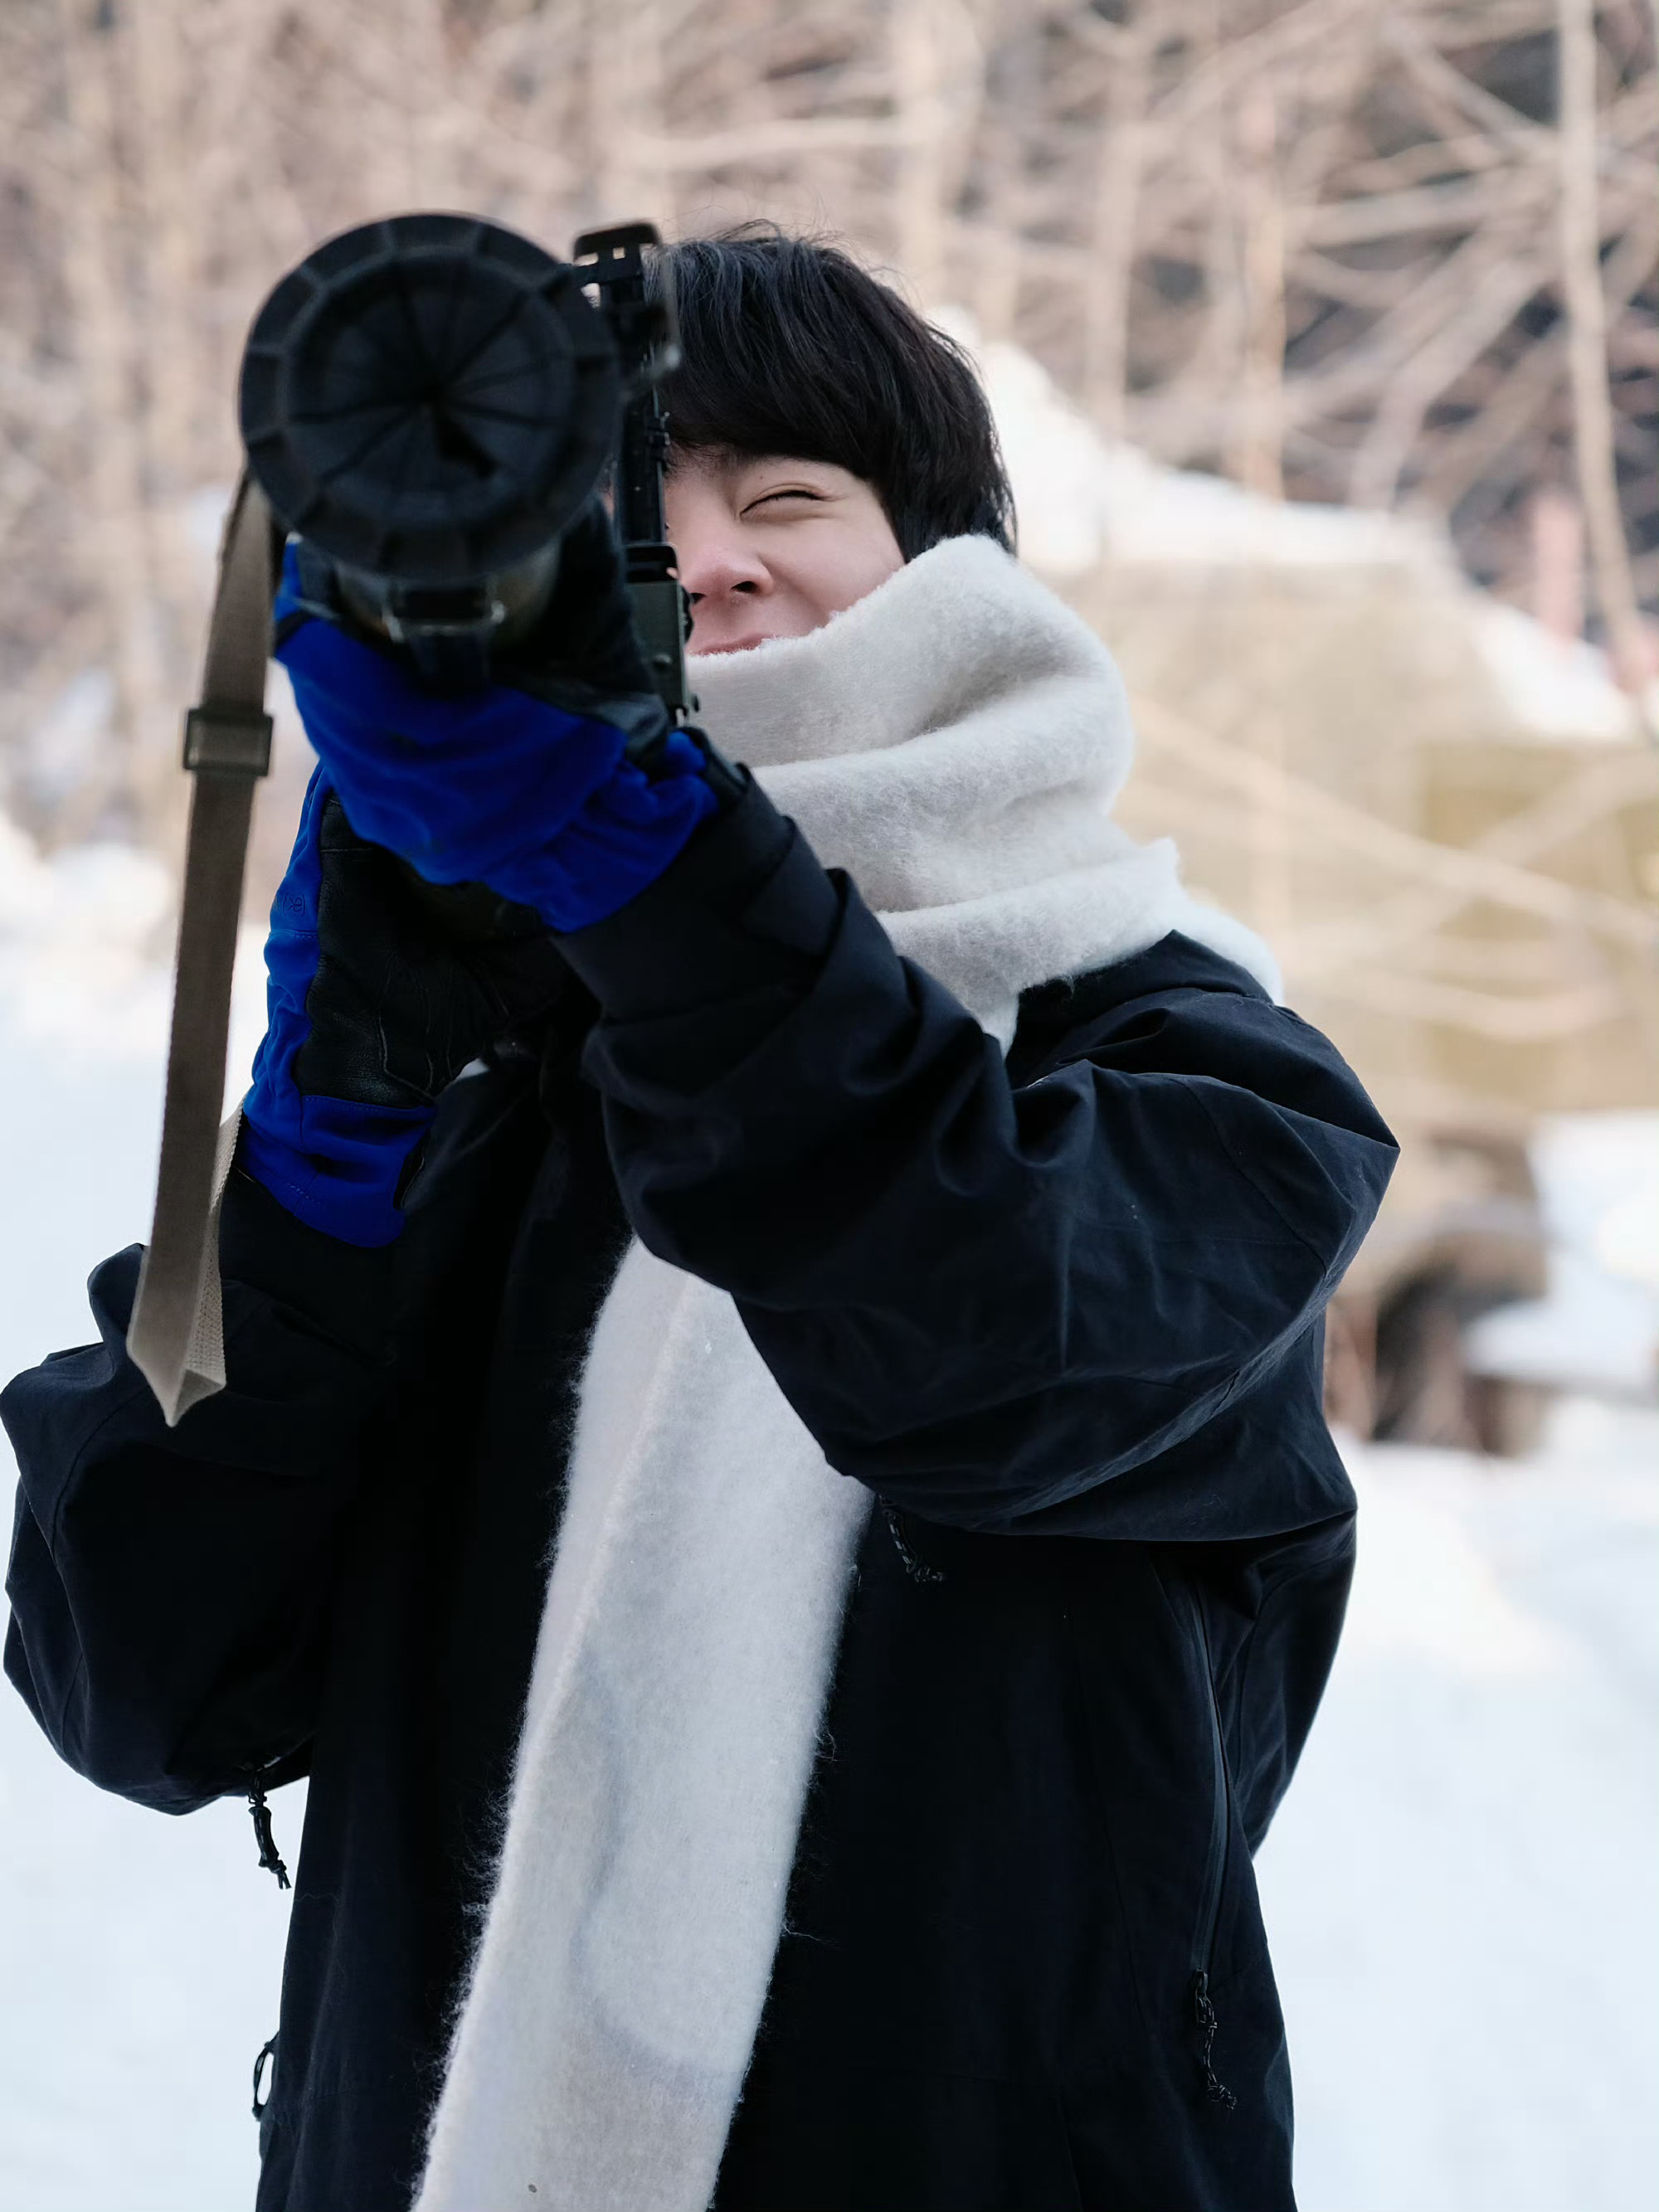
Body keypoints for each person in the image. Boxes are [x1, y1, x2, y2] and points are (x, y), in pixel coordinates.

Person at [3, 230, 1396, 2212]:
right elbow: (142, 1677)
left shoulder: (1192, 1066)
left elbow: (986, 1331)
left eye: (786, 496)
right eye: (634, 515)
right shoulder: (476, 1089)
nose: (712, 557)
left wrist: (657, 874)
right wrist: (319, 1168)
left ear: (947, 560)